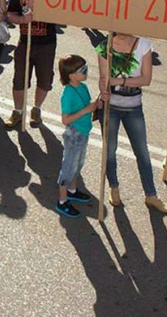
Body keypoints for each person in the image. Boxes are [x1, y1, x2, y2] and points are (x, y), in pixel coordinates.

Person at [96, 33, 167, 213]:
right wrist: (104, 89)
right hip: (110, 109)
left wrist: (118, 81)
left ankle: (151, 195)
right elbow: (103, 78)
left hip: (134, 109)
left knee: (142, 152)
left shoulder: (144, 45)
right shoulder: (103, 47)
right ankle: (113, 188)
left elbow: (146, 79)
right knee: (110, 151)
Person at [5, 0, 57, 129]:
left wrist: (38, 6)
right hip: (25, 41)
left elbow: (60, 13)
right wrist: (21, 20)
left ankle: (36, 109)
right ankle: (18, 111)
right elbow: (10, 13)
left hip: (47, 43)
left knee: (44, 79)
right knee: (19, 78)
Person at [54, 54, 97, 218]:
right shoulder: (68, 94)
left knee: (78, 164)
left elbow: (87, 104)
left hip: (84, 132)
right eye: (83, 70)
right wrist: (86, 110)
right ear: (71, 75)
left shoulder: (82, 87)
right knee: (69, 166)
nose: (86, 71)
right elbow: (65, 119)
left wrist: (96, 105)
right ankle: (62, 200)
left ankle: (72, 190)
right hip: (74, 134)